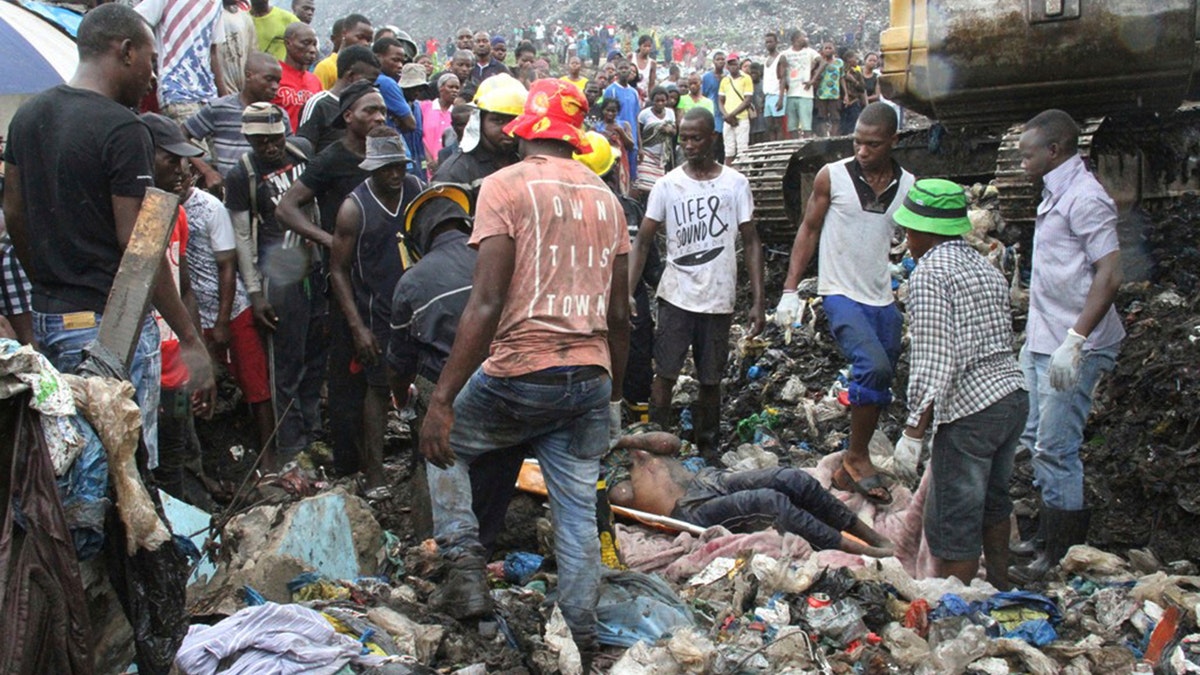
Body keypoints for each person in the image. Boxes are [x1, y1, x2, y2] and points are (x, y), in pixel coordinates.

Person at [419, 80, 630, 674]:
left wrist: (441, 401)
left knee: (446, 444)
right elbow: (620, 315)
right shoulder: (607, 199)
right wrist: (611, 397)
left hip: (520, 368)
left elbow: (484, 304)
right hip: (588, 376)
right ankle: (582, 639)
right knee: (575, 513)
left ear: (525, 131)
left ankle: (463, 569)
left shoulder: (503, 187)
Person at [3, 3, 215, 472]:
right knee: (127, 466)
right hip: (109, 327)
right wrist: (188, 335)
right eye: (151, 60)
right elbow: (137, 247)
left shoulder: (28, 116)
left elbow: (13, 210)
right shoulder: (123, 128)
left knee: (75, 456)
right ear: (125, 51)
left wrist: (48, 277)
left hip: (49, 316)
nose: (154, 77)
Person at [774, 102, 915, 505]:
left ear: (893, 141)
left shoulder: (908, 184)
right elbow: (809, 228)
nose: (863, 151)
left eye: (873, 144)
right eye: (858, 142)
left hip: (881, 296)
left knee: (881, 381)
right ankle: (857, 457)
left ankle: (843, 473)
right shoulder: (832, 176)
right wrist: (789, 289)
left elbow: (917, 239)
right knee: (873, 366)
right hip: (840, 293)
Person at [894, 179, 1027, 589]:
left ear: (925, 231)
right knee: (993, 501)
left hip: (971, 410)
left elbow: (935, 360)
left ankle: (959, 609)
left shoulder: (930, 275)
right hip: (1011, 397)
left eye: (909, 231)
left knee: (953, 518)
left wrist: (913, 431)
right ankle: (1001, 586)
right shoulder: (983, 266)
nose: (905, 241)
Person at [1009, 109, 1124, 584]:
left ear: (1054, 151)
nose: (1021, 162)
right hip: (1045, 338)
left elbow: (1111, 273)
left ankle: (1061, 553)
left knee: (1057, 447)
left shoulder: (1085, 198)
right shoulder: (1055, 192)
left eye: (1027, 154)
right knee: (1035, 439)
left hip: (1075, 343)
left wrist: (1075, 341)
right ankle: (1044, 536)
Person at [627, 106, 761, 460]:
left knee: (711, 379)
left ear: (712, 138)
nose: (688, 144)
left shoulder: (735, 184)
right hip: (676, 296)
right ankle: (657, 448)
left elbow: (751, 241)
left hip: (718, 299)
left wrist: (759, 301)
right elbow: (642, 241)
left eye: (695, 138)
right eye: (684, 138)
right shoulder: (668, 185)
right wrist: (627, 293)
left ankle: (709, 446)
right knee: (665, 374)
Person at [275, 80, 387, 475]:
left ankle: (376, 460)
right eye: (369, 110)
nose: (378, 117)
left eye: (382, 111)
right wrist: (329, 240)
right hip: (344, 280)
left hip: (383, 279)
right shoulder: (331, 158)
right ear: (348, 117)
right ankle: (348, 467)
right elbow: (287, 207)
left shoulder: (386, 156)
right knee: (346, 374)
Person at [607, 427, 895, 557]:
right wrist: (614, 455)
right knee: (769, 504)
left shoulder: (627, 439)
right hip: (685, 509)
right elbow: (623, 497)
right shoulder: (599, 471)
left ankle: (867, 533)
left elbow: (671, 443)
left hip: (708, 480)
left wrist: (622, 440)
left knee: (792, 479)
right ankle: (861, 550)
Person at [225, 102, 324, 468]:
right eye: (261, 141)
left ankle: (313, 432)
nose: (270, 147)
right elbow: (242, 238)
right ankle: (291, 446)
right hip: (278, 279)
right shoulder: (242, 176)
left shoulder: (302, 152)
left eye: (275, 138)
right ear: (250, 140)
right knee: (285, 362)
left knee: (314, 355)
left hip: (312, 264)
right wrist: (254, 293)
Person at [329, 127, 422, 492]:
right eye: (387, 168)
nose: (395, 175)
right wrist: (357, 328)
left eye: (399, 166)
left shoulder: (416, 190)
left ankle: (420, 463)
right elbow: (337, 269)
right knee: (378, 389)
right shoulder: (355, 208)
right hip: (378, 313)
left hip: (417, 309)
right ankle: (375, 473)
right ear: (371, 168)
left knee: (421, 386)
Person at [179, 135, 276, 458]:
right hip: (191, 315)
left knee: (254, 384)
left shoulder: (209, 208)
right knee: (203, 391)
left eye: (185, 173)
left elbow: (227, 267)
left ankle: (267, 454)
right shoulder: (159, 208)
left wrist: (222, 322)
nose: (179, 180)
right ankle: (217, 460)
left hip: (230, 310)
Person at [142, 112, 207, 504]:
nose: (183, 171)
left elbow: (185, 290)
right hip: (146, 368)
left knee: (174, 454)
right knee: (148, 463)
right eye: (171, 160)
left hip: (176, 369)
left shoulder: (178, 215)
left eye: (185, 161)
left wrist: (194, 356)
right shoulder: (133, 219)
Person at [185, 52, 287, 182]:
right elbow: (181, 135)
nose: (275, 87)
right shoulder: (219, 108)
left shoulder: (279, 116)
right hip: (230, 190)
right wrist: (206, 170)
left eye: (278, 82)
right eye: (269, 79)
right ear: (249, 75)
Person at [136, 0, 229, 123]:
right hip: (176, 92)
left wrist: (226, 98)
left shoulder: (216, 3)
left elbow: (213, 52)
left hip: (209, 97)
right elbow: (134, 21)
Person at [433, 73, 526, 185]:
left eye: (515, 120)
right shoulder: (454, 173)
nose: (508, 129)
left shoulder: (527, 163)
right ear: (479, 120)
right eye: (498, 120)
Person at [297, 45, 381, 154]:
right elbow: (303, 149)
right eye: (369, 81)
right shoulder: (319, 104)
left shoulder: (366, 106)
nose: (371, 87)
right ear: (350, 76)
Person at [273, 22, 322, 131]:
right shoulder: (274, 75)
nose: (312, 50)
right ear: (288, 43)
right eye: (306, 43)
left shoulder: (315, 81)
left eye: (314, 44)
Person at [602, 59, 641, 181]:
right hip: (616, 141)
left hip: (631, 140)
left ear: (630, 70)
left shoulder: (634, 92)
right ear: (616, 71)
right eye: (621, 68)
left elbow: (636, 118)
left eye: (626, 68)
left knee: (631, 177)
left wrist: (640, 145)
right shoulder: (611, 90)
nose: (624, 70)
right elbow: (605, 114)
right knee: (616, 176)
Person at [779, 29, 820, 139]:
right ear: (796, 39)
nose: (806, 39)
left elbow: (823, 63)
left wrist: (812, 80)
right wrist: (781, 97)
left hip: (805, 94)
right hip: (791, 94)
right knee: (792, 127)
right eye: (804, 37)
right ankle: (794, 150)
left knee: (806, 127)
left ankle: (807, 151)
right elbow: (781, 76)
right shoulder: (785, 54)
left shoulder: (810, 52)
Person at [633, 86, 675, 195]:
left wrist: (669, 130)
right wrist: (640, 149)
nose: (660, 103)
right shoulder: (645, 114)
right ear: (652, 100)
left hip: (661, 157)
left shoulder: (670, 113)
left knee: (657, 188)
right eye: (657, 101)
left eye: (663, 100)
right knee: (643, 185)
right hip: (647, 154)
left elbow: (675, 131)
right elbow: (639, 133)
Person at [315, 14, 373, 90]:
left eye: (368, 40)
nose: (365, 43)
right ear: (344, 33)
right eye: (360, 37)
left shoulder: (365, 70)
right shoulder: (326, 68)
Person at [373, 37, 419, 134]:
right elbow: (411, 124)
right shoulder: (387, 83)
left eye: (402, 61)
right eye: (395, 60)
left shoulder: (369, 79)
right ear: (377, 58)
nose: (400, 66)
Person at [420, 73, 460, 175]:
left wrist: (441, 160)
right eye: (450, 87)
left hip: (448, 166)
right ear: (441, 88)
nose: (454, 90)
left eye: (457, 88)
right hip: (425, 164)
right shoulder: (425, 107)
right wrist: (429, 160)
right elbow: (419, 136)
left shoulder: (457, 113)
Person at [718, 55, 753, 165]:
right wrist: (726, 115)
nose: (733, 66)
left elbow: (747, 100)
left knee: (742, 149)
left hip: (741, 118)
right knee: (728, 151)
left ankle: (744, 174)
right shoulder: (725, 80)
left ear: (739, 64)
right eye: (730, 64)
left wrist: (731, 115)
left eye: (735, 63)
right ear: (727, 66)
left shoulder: (746, 78)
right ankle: (728, 175)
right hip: (728, 120)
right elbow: (720, 101)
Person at [398, 63, 430, 179]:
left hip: (419, 165)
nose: (417, 92)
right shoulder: (395, 108)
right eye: (413, 88)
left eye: (420, 88)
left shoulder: (417, 107)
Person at [218, 0, 257, 94]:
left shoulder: (245, 18)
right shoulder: (212, 17)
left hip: (242, 91)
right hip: (219, 91)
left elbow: (253, 54)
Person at [810, 41, 844, 138]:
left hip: (834, 94)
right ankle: (824, 136)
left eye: (830, 48)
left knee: (835, 117)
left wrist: (845, 94)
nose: (828, 50)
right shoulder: (819, 63)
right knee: (822, 117)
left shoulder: (839, 62)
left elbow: (842, 78)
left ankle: (833, 135)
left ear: (834, 50)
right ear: (822, 51)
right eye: (826, 48)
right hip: (821, 94)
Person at [701, 51, 725, 162]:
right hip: (712, 112)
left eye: (722, 59)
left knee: (724, 143)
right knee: (713, 141)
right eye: (718, 59)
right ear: (713, 61)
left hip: (725, 112)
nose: (720, 61)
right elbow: (703, 95)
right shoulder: (706, 77)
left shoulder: (728, 76)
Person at [762, 31, 785, 141]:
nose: (768, 44)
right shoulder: (766, 59)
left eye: (771, 42)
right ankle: (772, 149)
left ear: (776, 42)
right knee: (770, 127)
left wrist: (781, 98)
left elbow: (783, 78)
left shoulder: (781, 57)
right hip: (768, 96)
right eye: (766, 42)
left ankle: (779, 149)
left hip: (777, 95)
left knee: (778, 126)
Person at [840, 50, 867, 135]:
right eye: (855, 58)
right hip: (842, 103)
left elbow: (862, 88)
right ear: (849, 59)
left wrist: (853, 80)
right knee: (843, 128)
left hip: (854, 103)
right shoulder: (840, 72)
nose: (857, 60)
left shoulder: (857, 73)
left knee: (854, 127)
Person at [748, 60, 768, 146]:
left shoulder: (765, 84)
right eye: (751, 73)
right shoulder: (747, 85)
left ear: (760, 72)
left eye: (755, 73)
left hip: (763, 117)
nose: (753, 75)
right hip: (751, 118)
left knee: (763, 140)